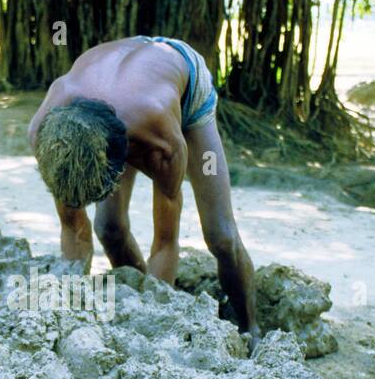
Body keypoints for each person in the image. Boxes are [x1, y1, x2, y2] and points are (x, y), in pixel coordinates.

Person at [28, 35, 259, 351]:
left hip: (182, 85)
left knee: (220, 235)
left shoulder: (162, 142)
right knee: (108, 227)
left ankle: (251, 327)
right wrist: (71, 310)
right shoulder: (46, 136)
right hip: (111, 96)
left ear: (121, 158)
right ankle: (134, 291)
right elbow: (74, 230)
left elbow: (165, 242)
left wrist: (153, 322)